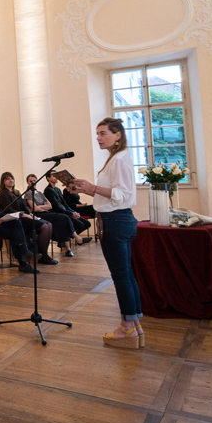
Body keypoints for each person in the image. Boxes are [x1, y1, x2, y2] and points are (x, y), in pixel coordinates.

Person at [72, 117, 143, 349]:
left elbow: (122, 195)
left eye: (103, 133)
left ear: (118, 135)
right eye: (97, 133)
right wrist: (87, 190)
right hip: (118, 219)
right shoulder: (116, 158)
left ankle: (127, 328)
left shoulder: (120, 159)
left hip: (116, 220)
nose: (98, 138)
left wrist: (92, 187)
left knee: (121, 276)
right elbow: (111, 195)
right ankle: (135, 325)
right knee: (126, 274)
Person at [0, 173, 57, 267]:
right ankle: (43, 255)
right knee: (44, 226)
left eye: (12, 178)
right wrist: (25, 215)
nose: (11, 180)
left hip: (25, 216)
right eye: (7, 179)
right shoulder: (3, 194)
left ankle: (43, 253)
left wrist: (30, 214)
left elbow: (24, 206)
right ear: (3, 182)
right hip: (17, 219)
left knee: (49, 224)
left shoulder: (16, 192)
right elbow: (9, 210)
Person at [23, 173, 83, 257]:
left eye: (34, 180)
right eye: (31, 181)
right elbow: (34, 209)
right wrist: (44, 207)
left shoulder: (40, 193)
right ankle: (75, 238)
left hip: (46, 212)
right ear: (27, 182)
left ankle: (68, 249)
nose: (33, 182)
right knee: (63, 217)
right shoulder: (28, 194)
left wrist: (40, 207)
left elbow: (50, 206)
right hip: (38, 214)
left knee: (63, 220)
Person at [44, 172, 93, 256]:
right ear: (48, 178)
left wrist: (73, 212)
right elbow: (55, 207)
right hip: (59, 213)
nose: (56, 177)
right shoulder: (48, 190)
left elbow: (65, 204)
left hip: (66, 211)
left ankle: (63, 239)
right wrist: (70, 213)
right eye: (53, 175)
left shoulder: (57, 189)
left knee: (86, 223)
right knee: (80, 224)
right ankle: (67, 239)